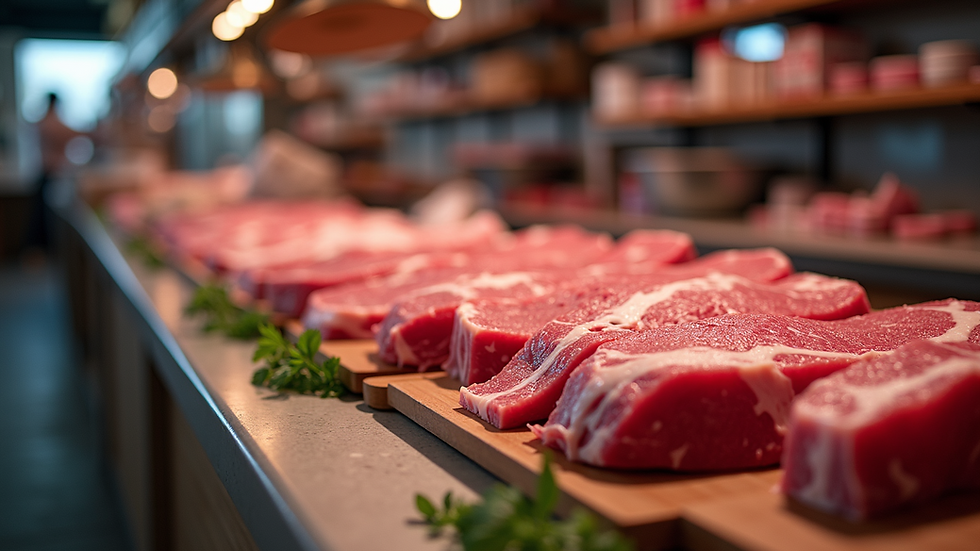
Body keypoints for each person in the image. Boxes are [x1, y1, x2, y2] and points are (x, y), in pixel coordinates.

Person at [28, 92, 78, 252]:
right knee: (43, 215)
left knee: (41, 213)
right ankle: (40, 249)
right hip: (51, 171)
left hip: (45, 170)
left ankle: (38, 249)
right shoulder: (51, 121)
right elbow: (69, 133)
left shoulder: (43, 120)